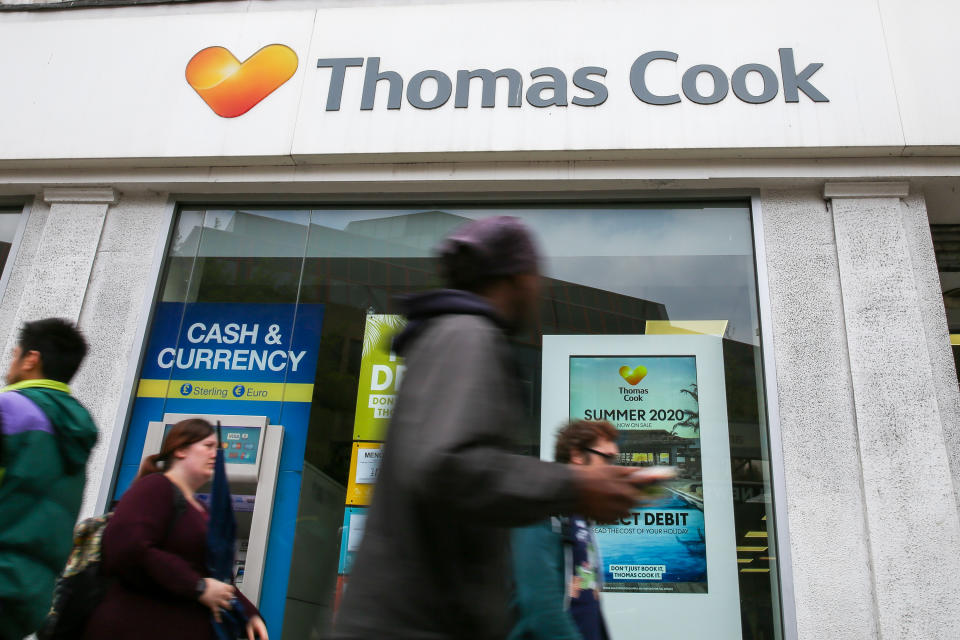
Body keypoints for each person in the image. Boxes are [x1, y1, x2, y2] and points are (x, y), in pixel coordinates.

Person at [332, 217, 640, 640]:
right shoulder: (467, 334)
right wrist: (575, 485)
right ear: (515, 279)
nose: (540, 288)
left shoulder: (449, 335)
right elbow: (446, 465)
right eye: (535, 274)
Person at [83, 418, 268, 640]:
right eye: (208, 446)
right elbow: (127, 548)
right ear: (181, 450)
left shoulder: (200, 508)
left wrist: (249, 614)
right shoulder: (155, 487)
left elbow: (216, 578)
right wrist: (197, 587)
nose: (216, 454)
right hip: (138, 626)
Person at [0, 318, 98, 640]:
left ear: (31, 359)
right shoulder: (74, 431)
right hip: (29, 596)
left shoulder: (9, 409)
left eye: (14, 354)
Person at [509, 420, 621, 640]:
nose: (612, 467)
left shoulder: (579, 515)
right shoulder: (541, 507)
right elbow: (540, 604)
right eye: (606, 458)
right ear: (577, 455)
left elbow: (589, 602)